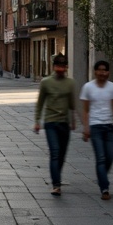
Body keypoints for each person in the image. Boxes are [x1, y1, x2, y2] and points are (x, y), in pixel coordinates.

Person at [33, 54, 78, 196]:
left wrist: (74, 120)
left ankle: (56, 175)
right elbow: (40, 103)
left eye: (63, 66)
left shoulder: (70, 83)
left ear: (66, 67)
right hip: (50, 122)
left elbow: (72, 104)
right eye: (58, 66)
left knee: (62, 155)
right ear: (53, 66)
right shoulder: (46, 82)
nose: (60, 69)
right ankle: (56, 184)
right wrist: (37, 121)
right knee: (55, 152)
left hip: (64, 123)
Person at [80, 60, 113, 200]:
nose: (102, 73)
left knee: (110, 157)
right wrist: (86, 128)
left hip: (109, 126)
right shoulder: (88, 87)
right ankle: (104, 188)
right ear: (95, 71)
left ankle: (101, 176)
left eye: (105, 70)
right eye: (100, 70)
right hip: (95, 127)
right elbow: (85, 110)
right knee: (101, 158)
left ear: (108, 72)